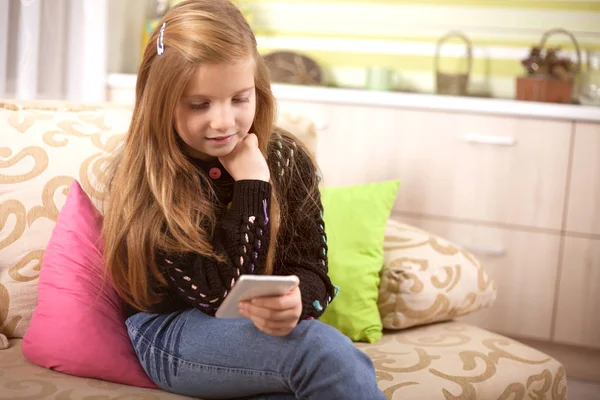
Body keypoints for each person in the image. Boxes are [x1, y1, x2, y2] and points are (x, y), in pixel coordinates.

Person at [101, 0, 386, 399]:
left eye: (240, 99)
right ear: (161, 101)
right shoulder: (152, 177)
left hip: (249, 337)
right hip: (168, 331)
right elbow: (221, 299)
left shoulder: (286, 158)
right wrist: (252, 183)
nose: (223, 122)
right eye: (200, 104)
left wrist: (297, 300)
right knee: (323, 353)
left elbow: (315, 273)